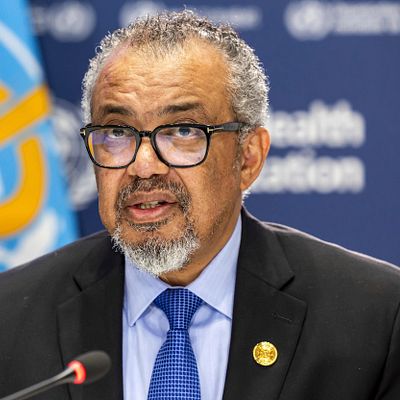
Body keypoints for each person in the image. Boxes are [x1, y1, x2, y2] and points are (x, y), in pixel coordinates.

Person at [0, 9, 399, 400]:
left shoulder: (373, 318)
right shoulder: (11, 318)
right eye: (117, 132)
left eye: (183, 131)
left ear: (248, 157)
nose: (143, 166)